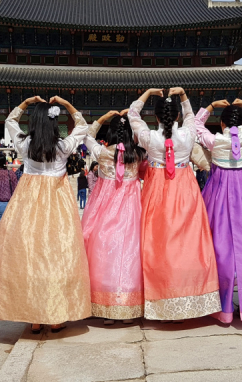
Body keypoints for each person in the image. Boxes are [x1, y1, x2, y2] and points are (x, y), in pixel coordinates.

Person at [0, 95, 90, 334]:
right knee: (56, 255)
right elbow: (82, 125)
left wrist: (25, 103)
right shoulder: (62, 147)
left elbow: (11, 121)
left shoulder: (25, 144)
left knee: (29, 256)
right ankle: (55, 316)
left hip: (28, 202)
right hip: (57, 203)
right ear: (54, 123)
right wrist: (67, 105)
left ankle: (33, 317)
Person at [128, 87, 221, 321]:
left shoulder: (149, 137)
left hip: (156, 188)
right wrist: (184, 97)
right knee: (187, 242)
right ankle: (189, 298)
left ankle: (159, 297)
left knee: (156, 243)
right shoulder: (188, 135)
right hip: (184, 186)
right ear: (177, 116)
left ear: (156, 117)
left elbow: (132, 114)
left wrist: (148, 93)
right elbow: (192, 118)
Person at [194, 97, 242, 324]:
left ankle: (222, 306)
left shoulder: (215, 141)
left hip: (220, 194)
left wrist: (209, 107)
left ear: (222, 124)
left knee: (220, 245)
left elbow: (196, 127)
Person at [82, 110, 147, 324]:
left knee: (104, 253)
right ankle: (128, 306)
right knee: (129, 254)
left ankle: (106, 306)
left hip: (104, 210)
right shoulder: (138, 155)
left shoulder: (101, 152)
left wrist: (100, 119)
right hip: (131, 211)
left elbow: (85, 137)